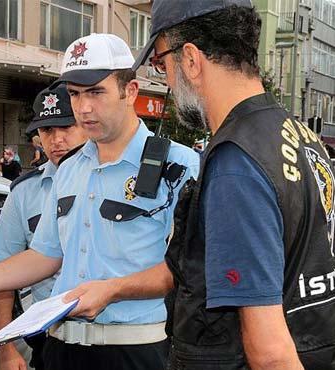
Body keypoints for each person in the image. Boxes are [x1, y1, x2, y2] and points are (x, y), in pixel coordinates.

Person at [0, 34, 200, 370]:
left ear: (130, 92)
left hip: (136, 351)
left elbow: (191, 267)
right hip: (60, 349)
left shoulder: (180, 166)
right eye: (74, 94)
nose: (84, 107)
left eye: (96, 92)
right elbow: (44, 255)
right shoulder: (68, 170)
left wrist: (113, 290)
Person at [133, 1, 335, 369]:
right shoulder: (301, 135)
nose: (166, 81)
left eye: (162, 63)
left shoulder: (236, 161)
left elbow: (269, 352)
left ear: (191, 60)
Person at [0, 84, 88, 370]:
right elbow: (3, 272)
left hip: (119, 337)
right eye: (46, 131)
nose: (56, 140)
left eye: (66, 127)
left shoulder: (115, 180)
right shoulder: (25, 192)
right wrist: (5, 348)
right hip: (51, 339)